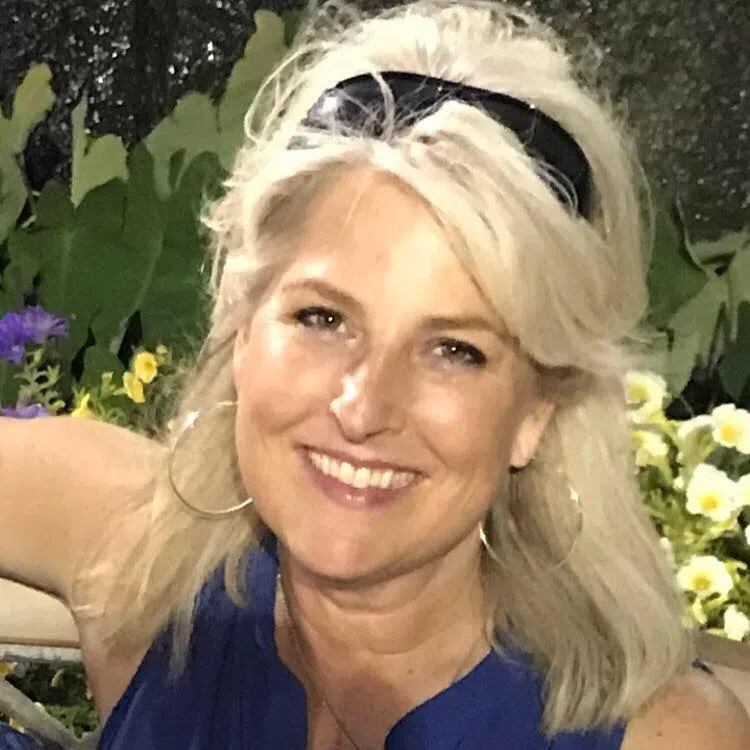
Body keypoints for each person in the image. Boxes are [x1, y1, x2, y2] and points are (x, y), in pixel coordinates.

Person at [2, 0, 749, 748]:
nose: (363, 407)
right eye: (323, 318)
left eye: (454, 350)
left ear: (536, 411)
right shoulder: (143, 564)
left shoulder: (666, 735)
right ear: (242, 326)